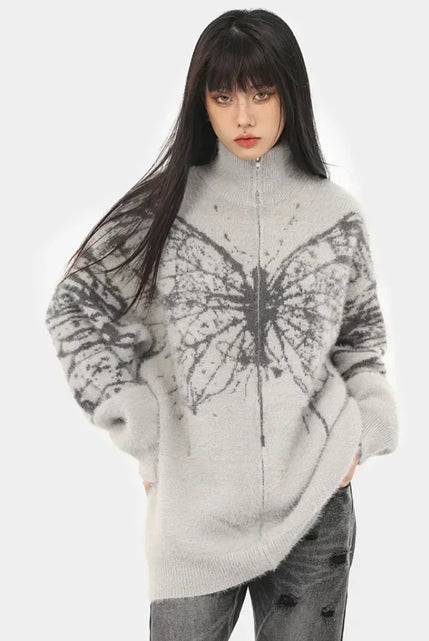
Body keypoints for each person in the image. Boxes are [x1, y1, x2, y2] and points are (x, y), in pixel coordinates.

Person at [44, 8, 399, 640]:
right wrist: (139, 423)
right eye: (224, 96)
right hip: (194, 519)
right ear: (200, 103)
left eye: (262, 94)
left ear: (291, 95)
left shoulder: (336, 216)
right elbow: (76, 307)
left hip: (314, 510)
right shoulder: (161, 209)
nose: (244, 117)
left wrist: (365, 427)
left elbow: (359, 342)